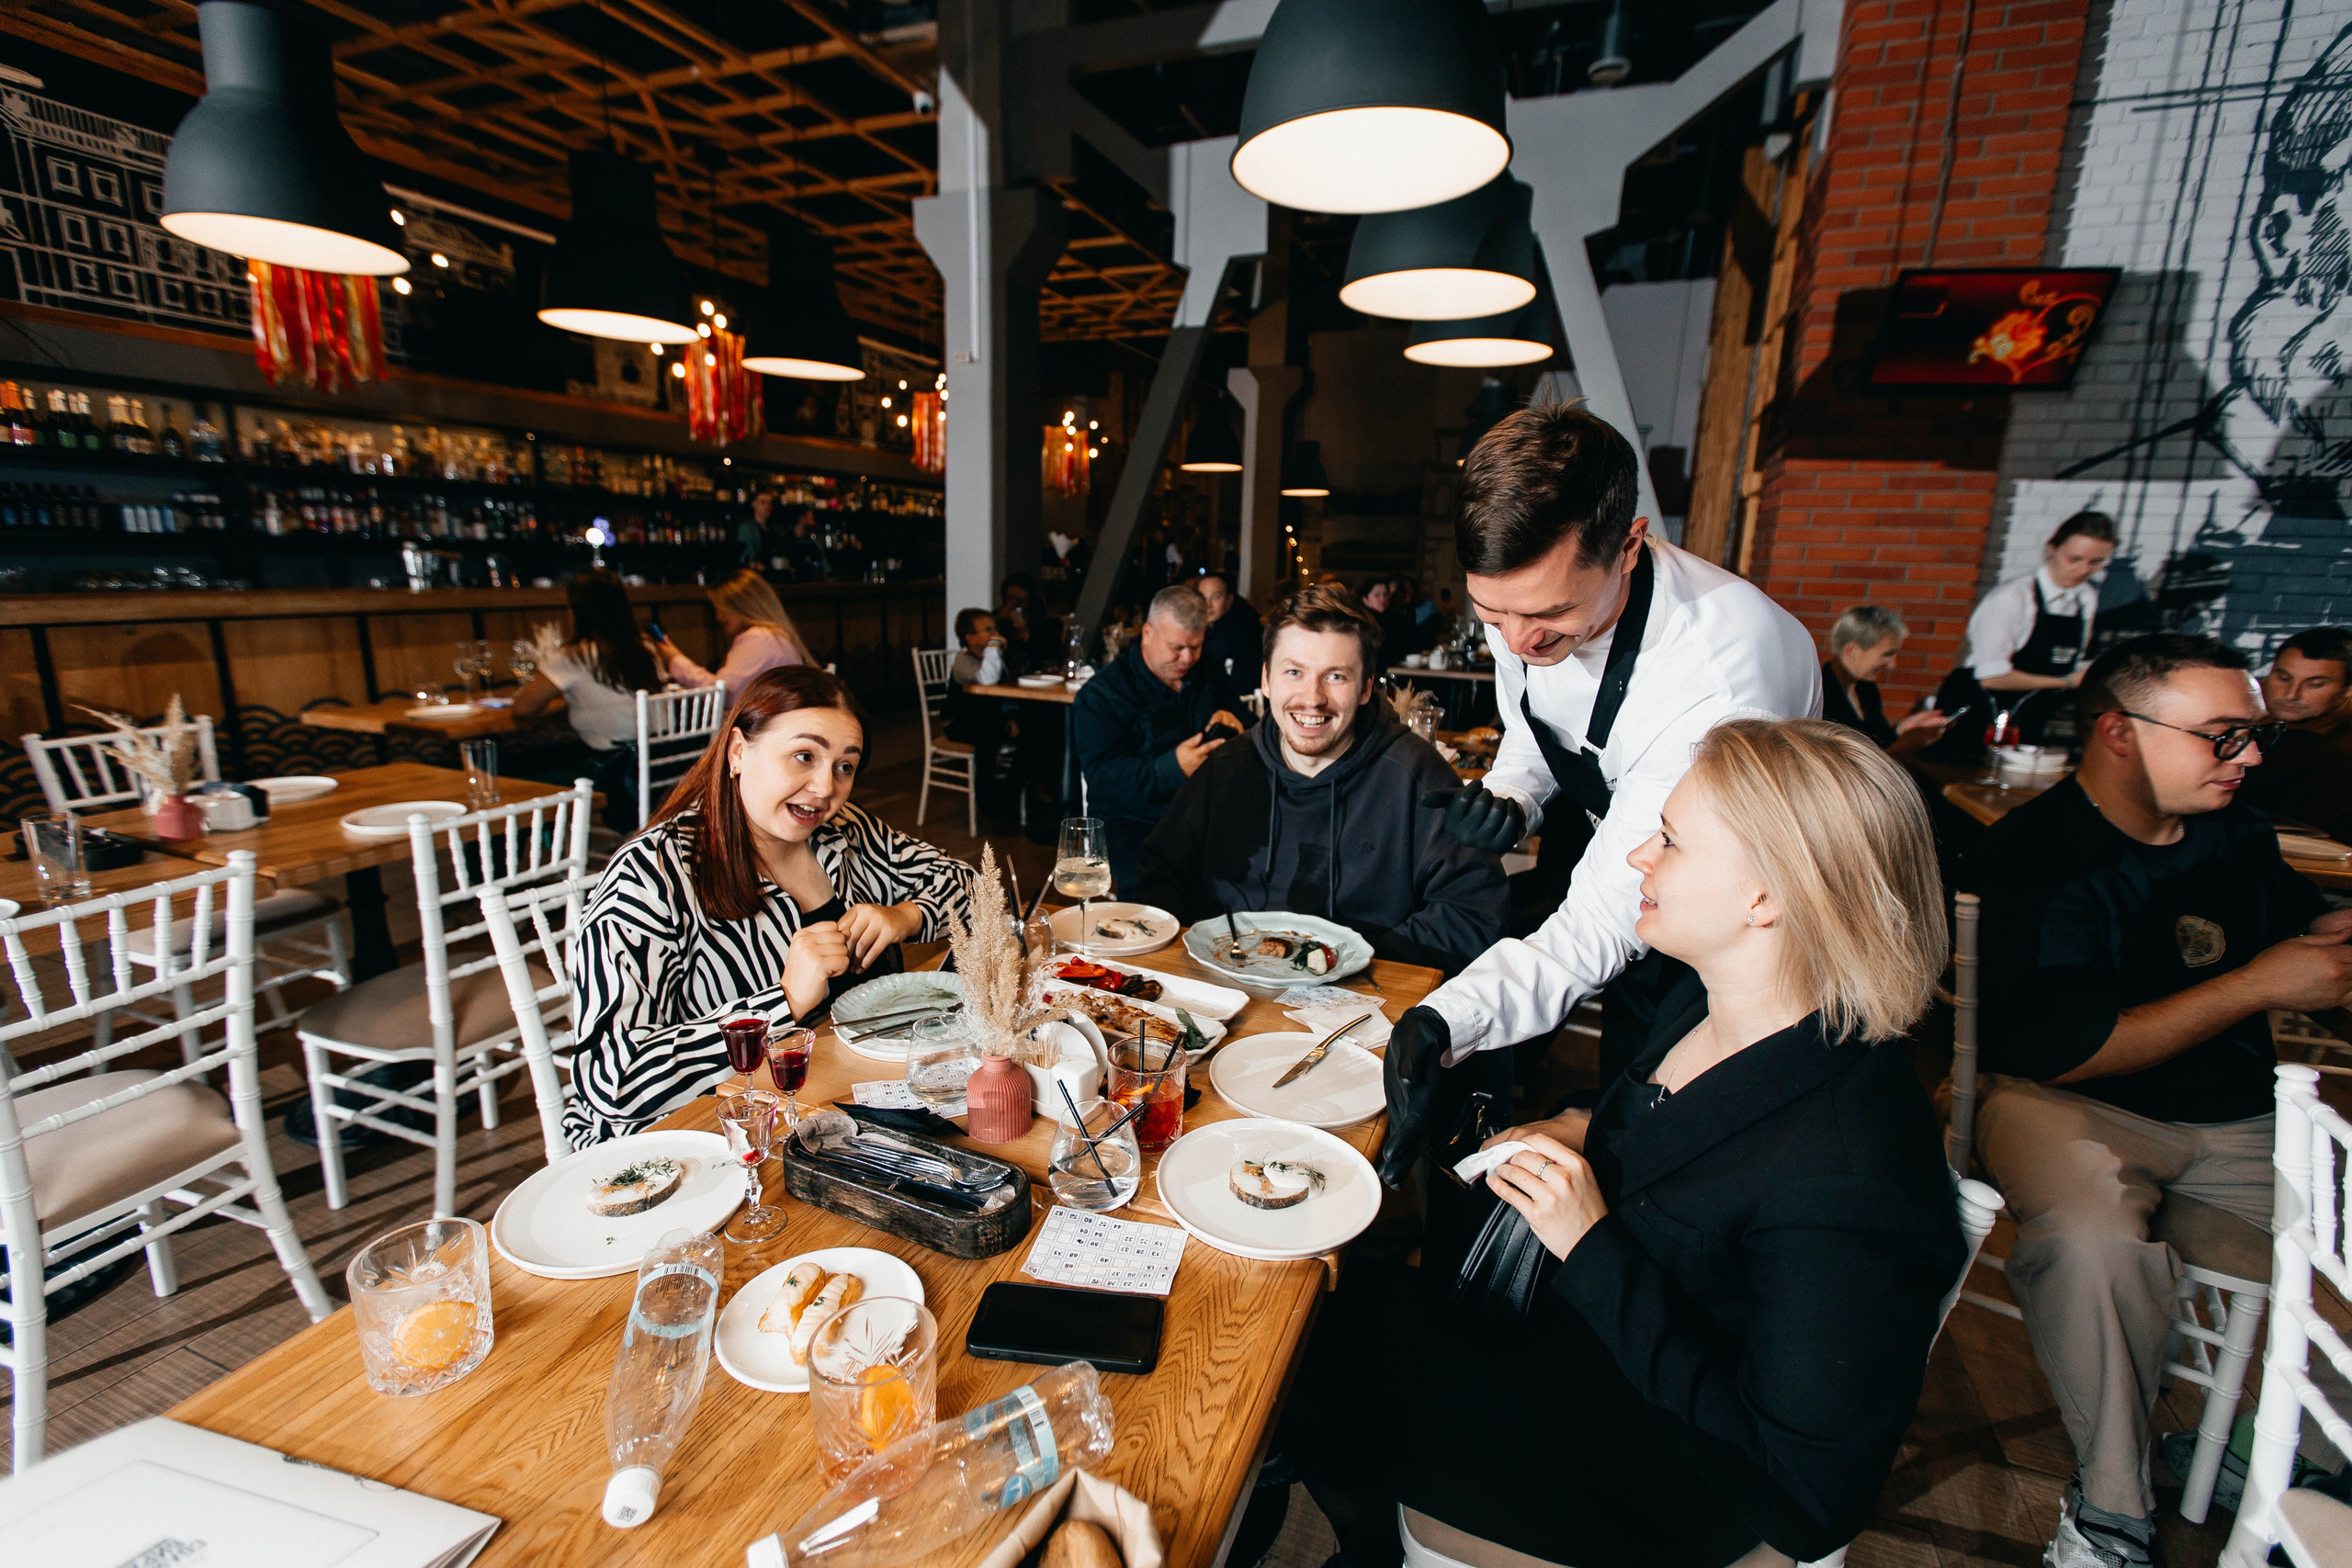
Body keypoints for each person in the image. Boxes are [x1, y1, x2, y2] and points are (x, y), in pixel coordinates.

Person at [1278, 719, 1964, 1568]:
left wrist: (1591, 1240)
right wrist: (1584, 1125)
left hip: (1666, 1470)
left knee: (1302, 1371)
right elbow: (1681, 1142)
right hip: (1579, 1348)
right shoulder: (1714, 1001)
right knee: (1309, 1315)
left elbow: (1809, 1485)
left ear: (1766, 897)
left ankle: (1371, 1546)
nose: (1639, 856)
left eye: (1671, 841)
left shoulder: (1851, 1163)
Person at [1963, 633, 2352, 1568]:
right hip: (2063, 1103)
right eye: (2223, 735)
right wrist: (2259, 983)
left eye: (2252, 734)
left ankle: (2275, 1456)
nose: (2251, 755)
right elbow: (2066, 1051)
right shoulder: (2037, 854)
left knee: (2336, 1254)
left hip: (2235, 1118)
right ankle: (2112, 1512)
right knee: (2090, 1244)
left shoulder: (2237, 832)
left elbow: (2294, 922)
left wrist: (2325, 935)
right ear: (2118, 733)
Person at [1383, 402, 1819, 1176]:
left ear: (1629, 546)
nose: (1518, 641)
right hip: (1626, 834)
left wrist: (1446, 1016)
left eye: (1548, 614)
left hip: (1739, 907)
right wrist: (1516, 793)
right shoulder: (1525, 604)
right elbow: (1535, 713)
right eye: (1493, 613)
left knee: (1668, 1113)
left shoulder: (1717, 678)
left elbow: (1599, 924)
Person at [565, 667, 978, 1147]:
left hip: (839, 1112)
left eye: (844, 766)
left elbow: (978, 892)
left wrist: (908, 915)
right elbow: (613, 1081)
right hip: (702, 1140)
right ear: (739, 752)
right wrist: (783, 1001)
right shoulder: (653, 874)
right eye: (804, 756)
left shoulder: (845, 831)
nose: (825, 788)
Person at [1133, 586, 1506, 976]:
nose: (1312, 698)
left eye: (1335, 676)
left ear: (1365, 688)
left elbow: (1473, 914)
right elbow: (1160, 875)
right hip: (1229, 993)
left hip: (1362, 1004)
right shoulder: (1227, 767)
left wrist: (1361, 963)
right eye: (1294, 672)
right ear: (1266, 678)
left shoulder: (1416, 775)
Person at [1071, 583, 1244, 888]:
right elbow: (1103, 778)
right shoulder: (1101, 695)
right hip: (1132, 823)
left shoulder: (1207, 670)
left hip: (1209, 815)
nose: (1188, 659)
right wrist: (1173, 768)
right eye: (1177, 647)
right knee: (1161, 892)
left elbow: (1248, 724)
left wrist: (1239, 724)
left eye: (1197, 646)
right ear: (1147, 633)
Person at [1946, 510, 2119, 744]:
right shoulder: (2012, 598)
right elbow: (1992, 677)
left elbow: (2072, 659)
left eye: (2095, 562)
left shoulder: (2085, 598)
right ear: (2052, 548)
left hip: (2030, 717)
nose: (2083, 570)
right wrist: (2067, 682)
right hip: (1977, 716)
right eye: (2075, 559)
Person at [510, 568, 663, 822]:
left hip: (613, 770)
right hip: (660, 764)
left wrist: (566, 706)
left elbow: (523, 708)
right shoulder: (646, 648)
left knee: (520, 773)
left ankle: (546, 848)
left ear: (575, 612)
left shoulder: (573, 657)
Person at [2241, 625, 2352, 840]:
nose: (2291, 695)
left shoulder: (2342, 756)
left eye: (2315, 684)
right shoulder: (2236, 702)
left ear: (2348, 690)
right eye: (2283, 678)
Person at [651, 569, 813, 691]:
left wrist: (674, 658)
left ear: (742, 606)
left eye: (721, 609)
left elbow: (722, 692)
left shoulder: (759, 638)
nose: (718, 617)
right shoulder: (774, 635)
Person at [1820, 604, 1951, 751]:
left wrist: (1903, 729)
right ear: (1852, 650)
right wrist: (1907, 743)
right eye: (1887, 654)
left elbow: (1880, 742)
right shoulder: (1821, 696)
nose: (1892, 665)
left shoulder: (1866, 689)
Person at [1196, 569, 1261, 684]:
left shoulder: (1242, 636)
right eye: (1202, 598)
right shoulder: (1196, 630)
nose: (1208, 604)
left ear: (1229, 600)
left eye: (1215, 597)